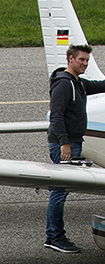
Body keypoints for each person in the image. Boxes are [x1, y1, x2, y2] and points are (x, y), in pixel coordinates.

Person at [46, 45, 105, 253]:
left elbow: (100, 85)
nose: (85, 64)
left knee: (61, 190)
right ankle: (54, 237)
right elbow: (56, 115)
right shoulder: (64, 85)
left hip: (73, 142)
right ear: (70, 59)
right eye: (81, 60)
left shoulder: (78, 83)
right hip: (65, 145)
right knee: (59, 191)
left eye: (87, 60)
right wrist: (64, 143)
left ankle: (55, 235)